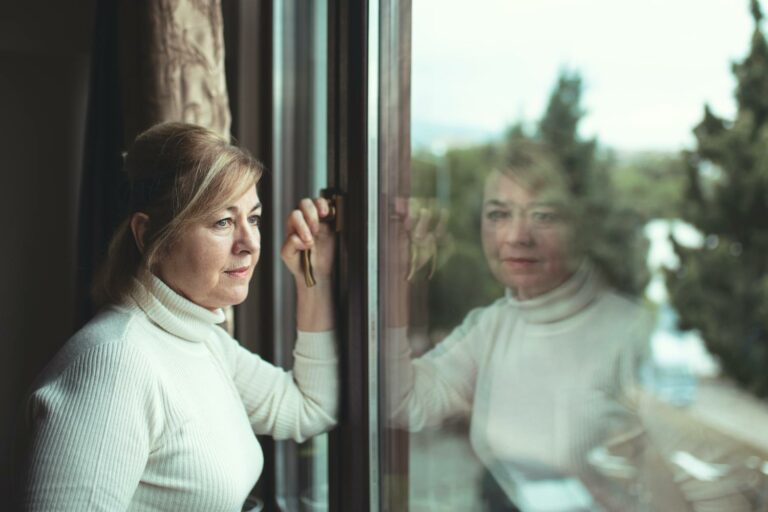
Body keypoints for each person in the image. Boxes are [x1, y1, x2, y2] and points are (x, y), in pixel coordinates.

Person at [22, 122, 338, 511]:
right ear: (148, 234)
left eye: (253, 219)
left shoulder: (203, 340)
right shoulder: (114, 364)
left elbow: (309, 408)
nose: (250, 244)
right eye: (223, 222)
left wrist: (314, 277)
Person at [386, 141, 687, 510]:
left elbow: (676, 480)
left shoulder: (629, 331)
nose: (517, 236)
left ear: (578, 227)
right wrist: (392, 278)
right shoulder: (493, 325)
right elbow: (402, 401)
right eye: (499, 214)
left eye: (543, 215)